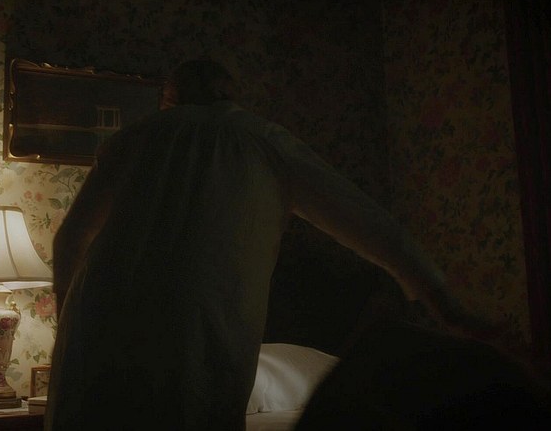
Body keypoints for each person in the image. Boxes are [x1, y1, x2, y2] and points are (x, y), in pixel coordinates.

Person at [44, 59, 481, 431]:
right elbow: (369, 224)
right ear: (230, 93)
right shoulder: (263, 141)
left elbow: (70, 239)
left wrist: (68, 324)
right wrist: (443, 302)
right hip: (195, 332)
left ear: (169, 97)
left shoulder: (132, 139)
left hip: (98, 331)